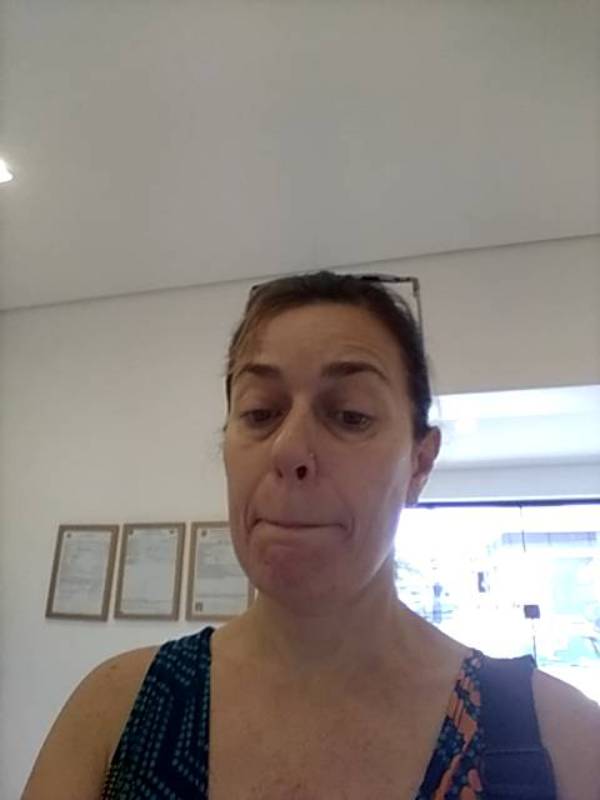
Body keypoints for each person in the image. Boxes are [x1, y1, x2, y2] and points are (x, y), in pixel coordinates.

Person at [22, 271, 600, 799]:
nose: (290, 449)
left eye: (350, 415)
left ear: (420, 464)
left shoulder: (561, 739)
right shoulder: (114, 712)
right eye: (260, 412)